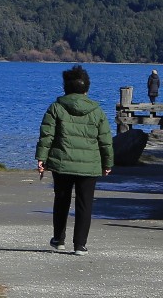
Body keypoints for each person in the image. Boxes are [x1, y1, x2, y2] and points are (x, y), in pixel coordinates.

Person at [36, 64, 114, 255]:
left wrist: (41, 158)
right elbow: (105, 140)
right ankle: (80, 244)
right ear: (86, 88)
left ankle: (59, 239)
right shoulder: (97, 111)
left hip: (62, 162)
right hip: (89, 164)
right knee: (85, 203)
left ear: (65, 88)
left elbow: (47, 136)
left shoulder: (56, 107)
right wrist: (108, 163)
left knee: (61, 200)